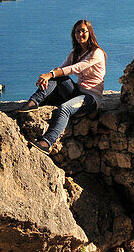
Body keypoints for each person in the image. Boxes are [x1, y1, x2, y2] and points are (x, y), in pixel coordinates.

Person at [22, 19, 106, 152]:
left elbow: (76, 68)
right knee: (57, 77)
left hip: (90, 98)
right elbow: (61, 68)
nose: (80, 34)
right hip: (77, 92)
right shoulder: (75, 53)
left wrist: (51, 74)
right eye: (77, 32)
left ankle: (47, 142)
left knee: (64, 108)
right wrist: (49, 75)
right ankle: (34, 101)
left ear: (90, 33)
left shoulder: (97, 53)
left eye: (83, 31)